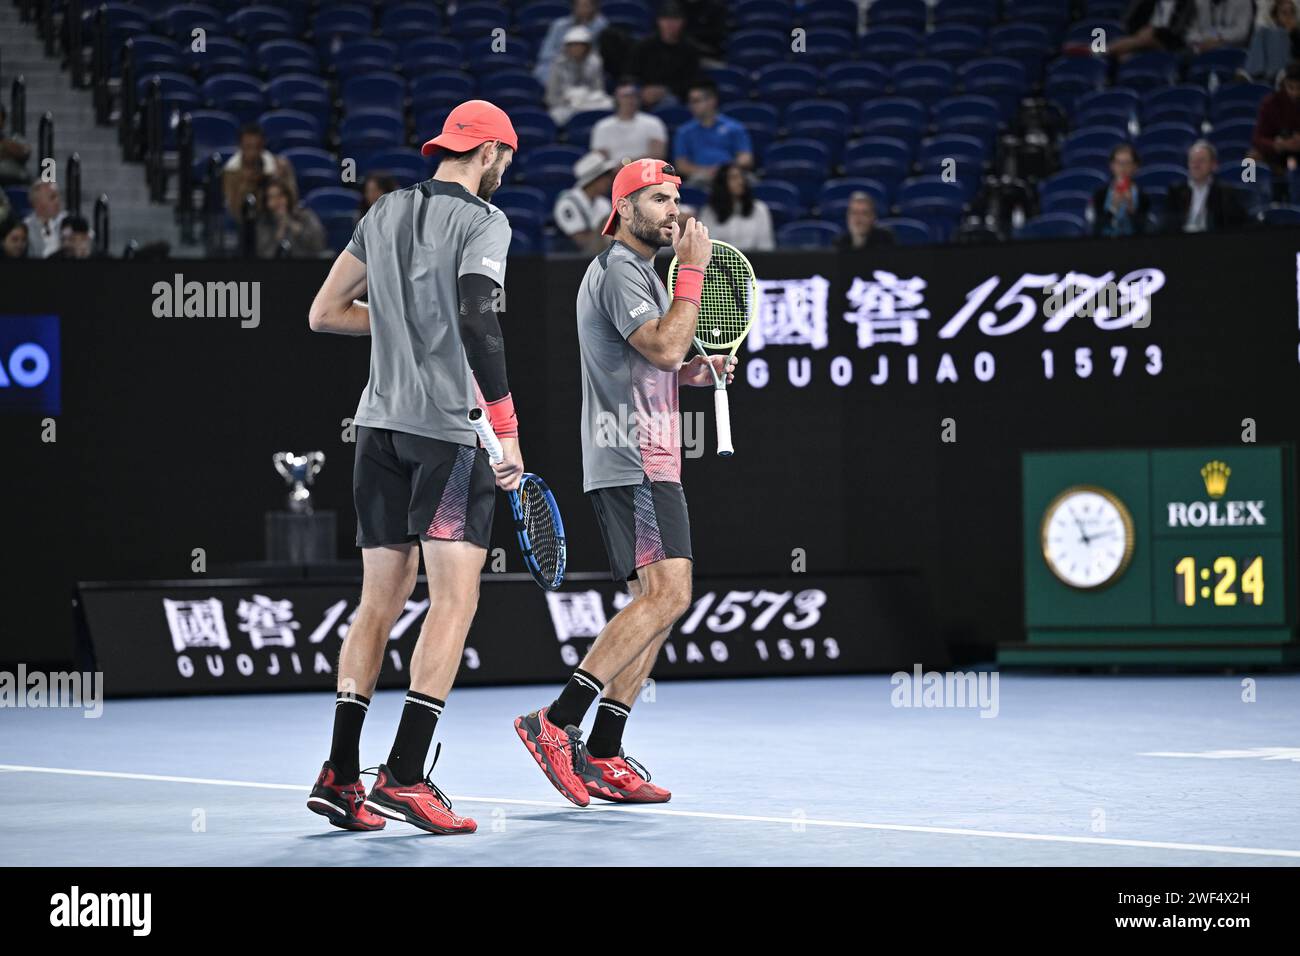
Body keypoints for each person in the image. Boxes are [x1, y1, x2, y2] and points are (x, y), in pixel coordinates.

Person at [305, 100, 522, 835]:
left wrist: (398, 321)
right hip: (447, 438)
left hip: (377, 434)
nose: (504, 174)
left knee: (378, 605)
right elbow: (476, 318)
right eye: (506, 161)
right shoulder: (486, 222)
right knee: (455, 604)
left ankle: (340, 774)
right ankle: (403, 774)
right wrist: (507, 428)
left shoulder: (386, 210)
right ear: (488, 153)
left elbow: (325, 313)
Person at [513, 159, 734, 806]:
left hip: (653, 458)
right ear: (625, 206)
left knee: (660, 602)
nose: (674, 210)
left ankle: (604, 752)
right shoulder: (618, 271)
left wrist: (697, 373)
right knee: (668, 595)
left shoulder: (640, 276)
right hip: (630, 457)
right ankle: (555, 724)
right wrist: (692, 273)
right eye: (659, 199)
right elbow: (664, 348)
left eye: (676, 198)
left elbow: (661, 360)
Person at [672, 81, 754, 185]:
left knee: (747, 181)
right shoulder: (684, 132)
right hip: (700, 176)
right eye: (690, 102)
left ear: (712, 101)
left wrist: (724, 170)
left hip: (729, 173)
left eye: (696, 101)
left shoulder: (734, 127)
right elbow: (681, 165)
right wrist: (706, 171)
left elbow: (746, 158)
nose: (691, 106)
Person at [1163, 140, 1249, 231]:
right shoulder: (1176, 191)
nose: (1196, 165)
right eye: (1192, 161)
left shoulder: (1224, 192)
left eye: (1201, 161)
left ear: (1213, 165)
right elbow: (1168, 226)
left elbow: (1236, 225)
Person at [628, 1, 701, 107]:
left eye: (675, 20)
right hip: (643, 94)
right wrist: (643, 90)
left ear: (682, 22)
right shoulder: (643, 46)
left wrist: (665, 90)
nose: (670, 24)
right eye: (666, 19)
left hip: (676, 96)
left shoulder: (690, 49)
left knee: (669, 102)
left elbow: (692, 81)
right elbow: (630, 74)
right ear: (659, 21)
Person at [222, 122, 299, 221]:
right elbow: (232, 210)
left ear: (263, 144)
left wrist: (277, 180)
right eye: (248, 147)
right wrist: (246, 183)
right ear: (240, 146)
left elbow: (292, 201)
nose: (253, 153)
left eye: (257, 147)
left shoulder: (280, 167)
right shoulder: (230, 171)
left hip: (276, 222)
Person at [544, 25, 614, 126]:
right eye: (572, 45)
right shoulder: (558, 64)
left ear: (587, 47)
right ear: (567, 47)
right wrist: (568, 100)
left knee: (609, 105)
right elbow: (551, 95)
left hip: (589, 103)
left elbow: (598, 89)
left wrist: (586, 98)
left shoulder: (595, 62)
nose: (576, 48)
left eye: (580, 45)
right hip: (566, 105)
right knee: (555, 116)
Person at [699, 163, 774, 251]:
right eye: (733, 178)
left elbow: (765, 246)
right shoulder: (708, 212)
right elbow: (706, 246)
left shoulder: (759, 209)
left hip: (754, 262)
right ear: (722, 183)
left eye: (742, 177)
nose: (740, 182)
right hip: (719, 262)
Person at [533, 0, 609, 87]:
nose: (583, 9)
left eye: (586, 6)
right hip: (559, 63)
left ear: (594, 8)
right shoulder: (559, 25)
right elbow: (546, 53)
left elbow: (599, 55)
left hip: (585, 65)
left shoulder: (602, 27)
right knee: (542, 70)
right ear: (574, 7)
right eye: (579, 5)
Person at [553, 150, 617, 253]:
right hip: (569, 262)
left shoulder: (603, 203)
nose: (609, 182)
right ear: (594, 180)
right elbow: (582, 242)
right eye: (606, 177)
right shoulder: (568, 203)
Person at [591, 82, 668, 163]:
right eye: (625, 96)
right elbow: (600, 156)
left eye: (633, 96)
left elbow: (657, 154)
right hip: (614, 172)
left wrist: (627, 163)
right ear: (617, 99)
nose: (630, 100)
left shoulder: (654, 122)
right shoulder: (602, 126)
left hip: (645, 170)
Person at [256, 177, 326, 258]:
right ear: (266, 202)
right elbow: (261, 255)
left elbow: (320, 245)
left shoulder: (305, 216)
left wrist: (299, 231)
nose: (277, 201)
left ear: (288, 197)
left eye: (280, 195)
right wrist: (279, 234)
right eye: (271, 197)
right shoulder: (263, 223)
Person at [1090, 144, 1151, 236]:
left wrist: (1131, 210)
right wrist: (1112, 209)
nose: (1123, 168)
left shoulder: (1143, 197)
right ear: (1112, 166)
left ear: (1135, 167)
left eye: (1127, 163)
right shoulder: (1100, 195)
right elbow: (1096, 229)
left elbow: (1144, 231)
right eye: (1118, 162)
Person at [1251, 61, 1300, 173]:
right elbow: (1257, 138)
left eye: (1299, 88)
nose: (1295, 93)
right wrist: (1276, 144)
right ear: (1284, 84)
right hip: (1278, 152)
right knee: (1251, 158)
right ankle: (1248, 189)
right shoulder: (1271, 103)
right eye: (1291, 87)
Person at [1108, 0, 1197, 58]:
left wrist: (1155, 32)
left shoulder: (1186, 4)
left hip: (1171, 43)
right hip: (1142, 41)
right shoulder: (1148, 3)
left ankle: (1104, 50)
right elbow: (1130, 23)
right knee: (1124, 57)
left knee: (1145, 38)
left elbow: (1179, 30)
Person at [1243, 0, 1300, 83]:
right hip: (1268, 73)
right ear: (1276, 17)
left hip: (1291, 72)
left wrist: (1293, 35)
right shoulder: (1266, 33)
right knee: (1265, 31)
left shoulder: (1297, 34)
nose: (1289, 16)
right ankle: (1253, 76)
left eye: (1292, 13)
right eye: (1284, 13)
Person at [1186, 0, 1255, 51]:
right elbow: (1189, 32)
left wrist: (1217, 39)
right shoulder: (1198, 3)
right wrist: (1201, 42)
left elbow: (1241, 32)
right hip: (1202, 48)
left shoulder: (1242, 2)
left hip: (1232, 49)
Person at [23, 182, 67, 258]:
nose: (58, 201)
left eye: (58, 196)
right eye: (52, 197)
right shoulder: (26, 228)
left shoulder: (68, 220)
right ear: (37, 203)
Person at [0, 103, 32, 186]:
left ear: (3, 121)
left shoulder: (14, 138)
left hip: (15, 182)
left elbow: (25, 152)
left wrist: (6, 144)